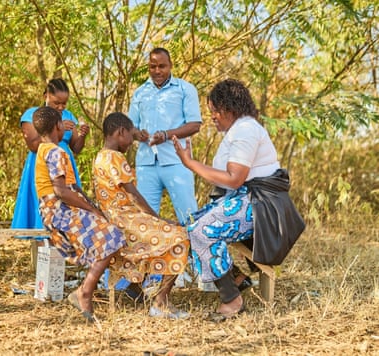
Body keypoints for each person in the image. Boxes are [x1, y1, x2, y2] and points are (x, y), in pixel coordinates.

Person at [172, 79, 281, 318]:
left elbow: (233, 179)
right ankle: (237, 279)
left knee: (202, 229)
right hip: (247, 198)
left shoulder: (246, 130)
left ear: (230, 108)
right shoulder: (238, 130)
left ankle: (231, 300)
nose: (212, 117)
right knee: (187, 226)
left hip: (260, 205)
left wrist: (190, 163)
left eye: (215, 111)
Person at [92, 112, 190, 319]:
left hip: (114, 219)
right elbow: (134, 195)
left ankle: (137, 290)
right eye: (131, 135)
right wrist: (158, 219)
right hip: (125, 222)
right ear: (120, 132)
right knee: (180, 236)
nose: (132, 141)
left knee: (167, 234)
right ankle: (160, 303)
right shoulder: (116, 157)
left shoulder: (100, 156)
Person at [32, 106, 126, 322]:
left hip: (56, 209)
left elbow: (73, 188)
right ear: (58, 126)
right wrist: (93, 210)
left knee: (110, 232)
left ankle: (93, 289)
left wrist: (93, 207)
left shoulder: (45, 149)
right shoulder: (55, 152)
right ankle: (84, 291)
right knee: (113, 236)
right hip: (58, 211)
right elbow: (62, 191)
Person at [128, 47, 202, 224]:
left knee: (189, 216)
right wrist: (139, 134)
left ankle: (198, 251)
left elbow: (195, 124)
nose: (157, 71)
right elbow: (130, 128)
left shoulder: (185, 89)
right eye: (152, 67)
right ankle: (152, 253)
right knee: (146, 221)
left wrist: (166, 135)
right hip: (146, 164)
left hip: (177, 161)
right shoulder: (139, 93)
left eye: (162, 66)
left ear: (171, 66)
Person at [11, 78, 89, 231]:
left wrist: (82, 136)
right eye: (56, 102)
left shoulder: (68, 115)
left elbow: (76, 148)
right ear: (45, 95)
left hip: (65, 166)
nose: (60, 107)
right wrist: (56, 130)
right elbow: (33, 144)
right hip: (41, 165)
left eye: (64, 103)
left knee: (67, 206)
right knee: (43, 206)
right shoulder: (32, 115)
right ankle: (43, 249)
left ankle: (64, 248)